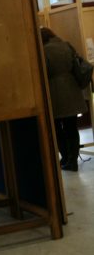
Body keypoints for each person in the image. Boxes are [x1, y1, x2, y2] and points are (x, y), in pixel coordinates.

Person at [41, 27, 88, 172]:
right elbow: (76, 67)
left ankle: (66, 158)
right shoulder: (67, 45)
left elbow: (45, 72)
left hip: (54, 92)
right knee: (71, 127)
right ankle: (72, 161)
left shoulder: (43, 50)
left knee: (56, 128)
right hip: (72, 90)